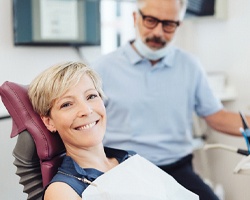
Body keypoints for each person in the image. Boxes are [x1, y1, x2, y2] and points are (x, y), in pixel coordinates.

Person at [91, 0, 250, 200]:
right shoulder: (102, 68)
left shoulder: (190, 66)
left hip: (176, 168)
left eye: (168, 24)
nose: (158, 32)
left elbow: (217, 117)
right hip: (123, 168)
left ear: (178, 25)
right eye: (150, 20)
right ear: (135, 18)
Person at [28, 61, 199, 200]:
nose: (86, 110)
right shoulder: (63, 192)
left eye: (91, 96)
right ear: (49, 121)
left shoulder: (129, 159)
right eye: (67, 104)